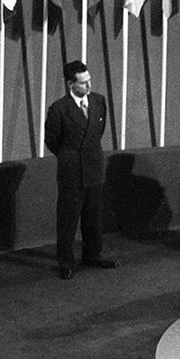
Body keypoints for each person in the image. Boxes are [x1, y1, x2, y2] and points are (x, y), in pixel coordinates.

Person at [44, 60, 115, 280]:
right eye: (83, 83)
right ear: (70, 84)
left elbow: (98, 131)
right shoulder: (58, 109)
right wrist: (70, 157)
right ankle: (66, 261)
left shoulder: (98, 101)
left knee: (93, 214)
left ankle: (93, 254)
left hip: (93, 166)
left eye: (89, 81)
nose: (89, 86)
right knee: (68, 218)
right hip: (72, 170)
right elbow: (52, 141)